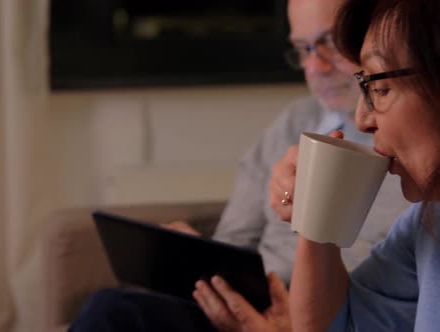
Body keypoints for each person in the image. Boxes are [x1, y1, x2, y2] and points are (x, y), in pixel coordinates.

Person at [69, 0, 409, 330]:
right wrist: (198, 260)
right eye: (303, 49)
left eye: (329, 43)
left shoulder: (407, 153)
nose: (314, 66)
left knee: (114, 310)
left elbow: (379, 289)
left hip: (315, 309)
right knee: (116, 306)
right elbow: (235, 239)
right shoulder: (293, 123)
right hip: (251, 298)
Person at [269, 0, 440, 330]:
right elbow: (339, 324)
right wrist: (315, 212)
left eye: (380, 88)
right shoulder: (427, 222)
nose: (362, 120)